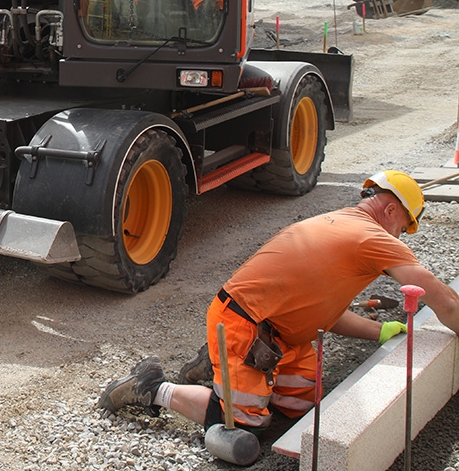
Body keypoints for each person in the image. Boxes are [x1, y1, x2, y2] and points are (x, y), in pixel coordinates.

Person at [97, 171, 459, 441]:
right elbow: (443, 300)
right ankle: (152, 387)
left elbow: (325, 314)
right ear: (391, 210)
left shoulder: (343, 226)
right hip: (242, 323)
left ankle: (218, 366)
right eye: (403, 228)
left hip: (281, 335)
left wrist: (380, 331)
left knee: (303, 408)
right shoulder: (373, 238)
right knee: (246, 424)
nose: (400, 237)